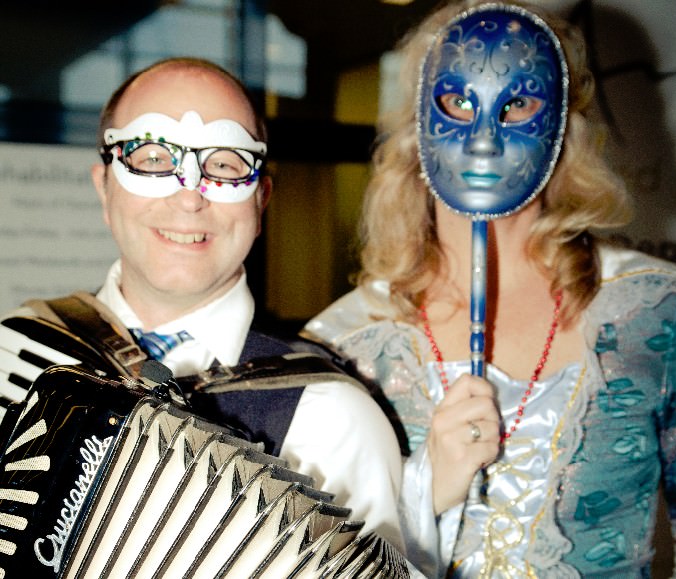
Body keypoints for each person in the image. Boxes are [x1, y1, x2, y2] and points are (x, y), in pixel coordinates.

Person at [303, 1, 676, 577]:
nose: (485, 139)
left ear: (562, 127)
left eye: (518, 104)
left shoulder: (655, 310)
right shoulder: (345, 346)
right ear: (418, 123)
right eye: (457, 103)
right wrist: (426, 488)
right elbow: (315, 559)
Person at [0, 57, 404, 552]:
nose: (189, 197)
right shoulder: (13, 350)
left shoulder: (334, 421)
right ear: (103, 189)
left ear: (262, 201)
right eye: (151, 157)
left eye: (225, 163)